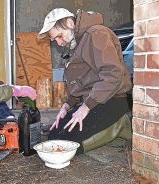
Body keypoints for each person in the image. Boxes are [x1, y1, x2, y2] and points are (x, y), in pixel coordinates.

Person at [38, 8, 132, 154]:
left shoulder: (96, 34)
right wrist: (67, 106)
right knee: (54, 135)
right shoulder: (78, 42)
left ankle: (121, 122)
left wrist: (85, 107)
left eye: (59, 36)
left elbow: (112, 74)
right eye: (55, 40)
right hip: (95, 101)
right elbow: (84, 83)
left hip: (112, 100)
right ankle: (109, 126)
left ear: (69, 23)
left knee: (68, 145)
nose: (59, 43)